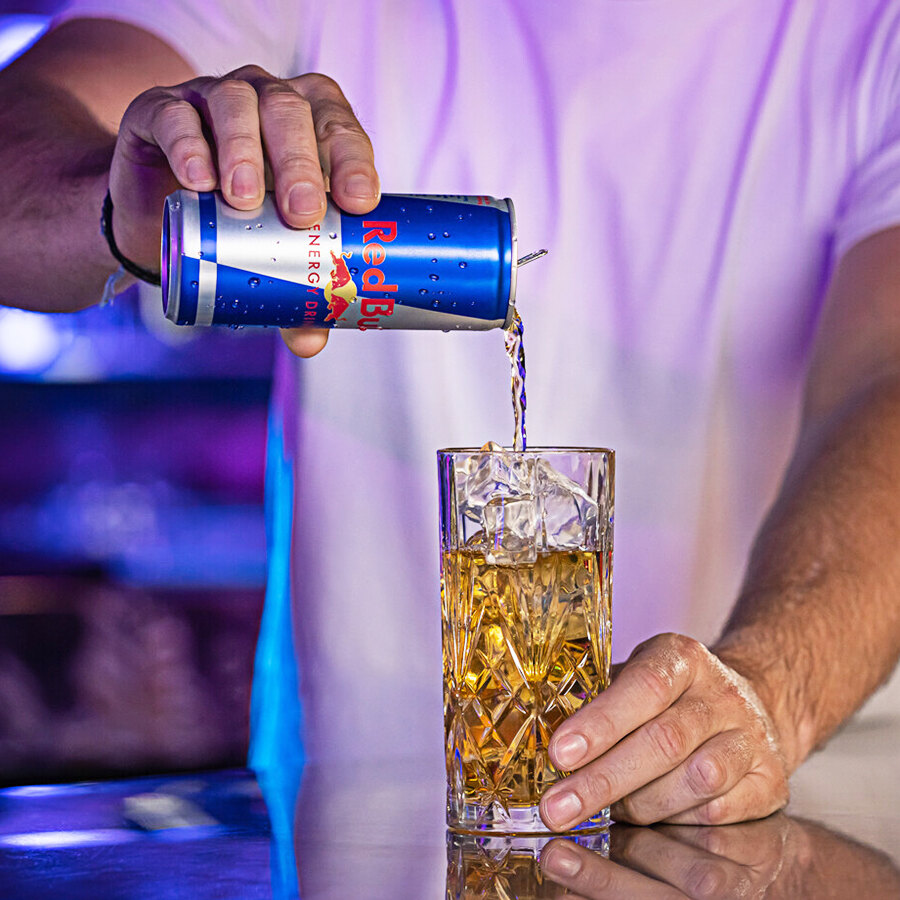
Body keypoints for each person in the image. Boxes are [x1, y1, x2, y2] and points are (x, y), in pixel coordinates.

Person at [1, 0, 898, 830]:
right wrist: (120, 209)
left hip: (788, 821)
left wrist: (771, 688)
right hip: (359, 831)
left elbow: (887, 375)